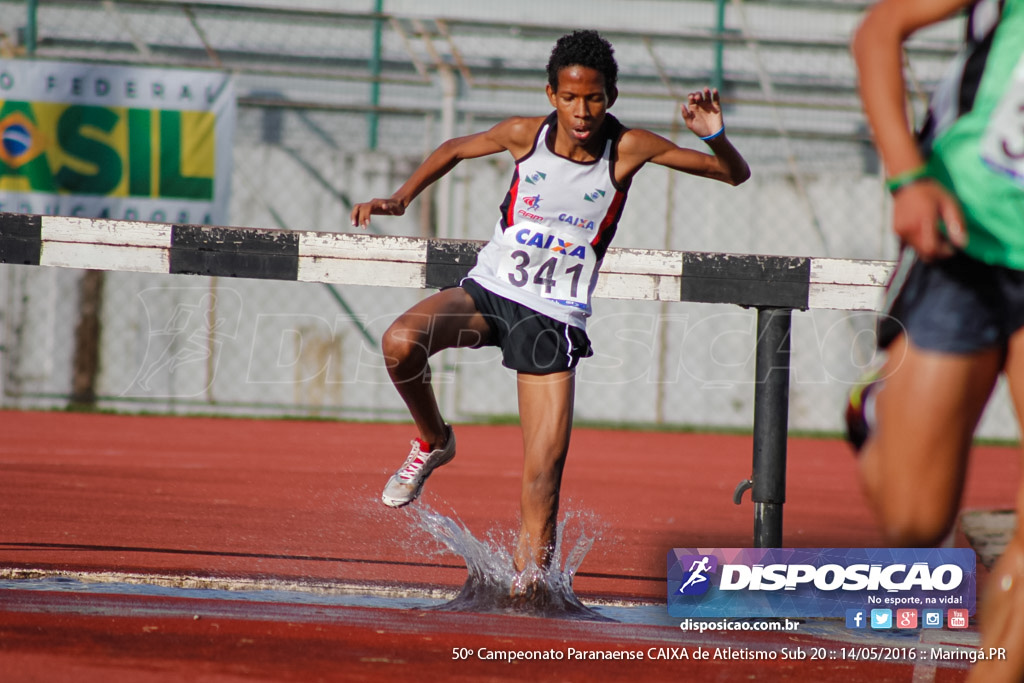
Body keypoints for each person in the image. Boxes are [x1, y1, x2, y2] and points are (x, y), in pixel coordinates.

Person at [350, 30, 749, 596]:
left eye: (593, 99)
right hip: (489, 291)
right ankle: (433, 439)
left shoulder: (630, 147)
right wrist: (402, 196)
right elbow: (457, 147)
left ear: (610, 96)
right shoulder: (524, 135)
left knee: (541, 477)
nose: (581, 112)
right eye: (569, 98)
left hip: (553, 319)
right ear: (551, 95)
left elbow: (734, 174)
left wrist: (718, 137)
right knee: (399, 342)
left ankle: (529, 591)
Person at [850, 1, 1024, 680]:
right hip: (966, 233)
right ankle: (873, 409)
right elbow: (877, 31)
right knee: (914, 522)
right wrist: (908, 177)